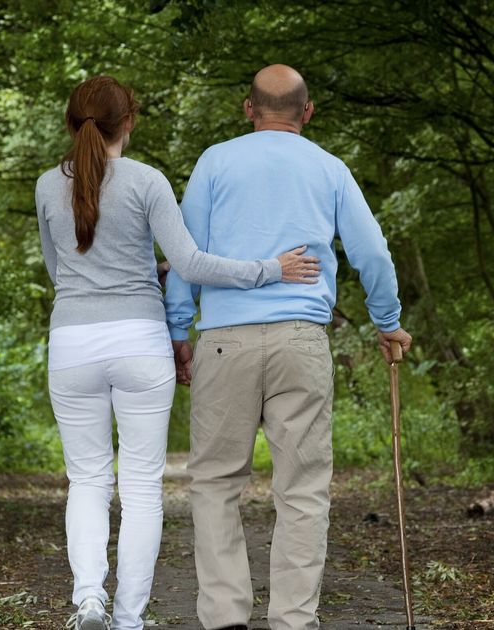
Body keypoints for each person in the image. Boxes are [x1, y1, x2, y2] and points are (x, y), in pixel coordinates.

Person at [34, 76, 321, 630]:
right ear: (130, 121)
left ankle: (88, 599)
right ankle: (128, 619)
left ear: (72, 123)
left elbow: (60, 271)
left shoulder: (48, 185)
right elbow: (192, 264)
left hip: (72, 344)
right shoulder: (147, 182)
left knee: (88, 480)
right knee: (141, 486)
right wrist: (270, 270)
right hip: (139, 345)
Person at [163, 64, 413, 630]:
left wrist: (179, 330)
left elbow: (184, 254)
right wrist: (387, 321)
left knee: (215, 483)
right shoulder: (329, 168)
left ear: (248, 109)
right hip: (302, 341)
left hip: (224, 341)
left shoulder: (215, 162)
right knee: (302, 489)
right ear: (308, 112)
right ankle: (293, 621)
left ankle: (226, 617)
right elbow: (372, 252)